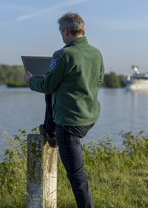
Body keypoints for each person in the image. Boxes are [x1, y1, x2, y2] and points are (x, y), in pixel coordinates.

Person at [24, 12, 104, 208]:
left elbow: (46, 86)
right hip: (89, 118)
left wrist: (30, 80)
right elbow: (99, 80)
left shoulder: (63, 54)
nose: (61, 36)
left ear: (66, 30)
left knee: (78, 177)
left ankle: (51, 132)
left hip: (69, 124)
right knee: (54, 90)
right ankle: (50, 131)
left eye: (61, 32)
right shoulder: (96, 53)